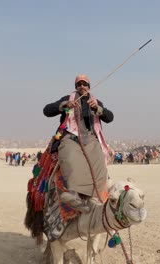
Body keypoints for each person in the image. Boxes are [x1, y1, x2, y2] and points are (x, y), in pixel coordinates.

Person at [43, 74, 114, 211]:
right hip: (70, 136)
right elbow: (47, 110)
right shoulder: (67, 99)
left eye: (85, 84)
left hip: (91, 138)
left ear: (89, 86)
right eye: (79, 84)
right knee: (70, 158)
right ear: (76, 87)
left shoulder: (96, 102)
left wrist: (98, 109)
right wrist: (64, 106)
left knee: (99, 162)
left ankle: (97, 197)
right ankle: (73, 194)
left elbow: (110, 117)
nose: (82, 86)